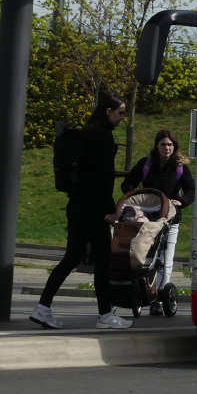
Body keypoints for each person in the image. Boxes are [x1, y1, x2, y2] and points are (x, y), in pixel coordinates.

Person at [30, 94, 133, 330]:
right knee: (103, 260)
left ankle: (43, 308)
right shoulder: (103, 137)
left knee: (71, 257)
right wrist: (110, 210)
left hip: (75, 204)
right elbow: (102, 178)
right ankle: (105, 315)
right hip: (93, 207)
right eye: (120, 112)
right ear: (108, 111)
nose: (122, 117)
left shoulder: (87, 132)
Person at [122, 128, 195, 314]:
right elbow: (127, 184)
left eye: (170, 145)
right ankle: (144, 292)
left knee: (165, 259)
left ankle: (159, 298)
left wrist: (181, 201)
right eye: (163, 144)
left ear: (175, 147)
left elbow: (191, 190)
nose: (167, 148)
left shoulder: (179, 167)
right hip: (147, 219)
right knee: (146, 256)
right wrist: (137, 198)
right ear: (157, 146)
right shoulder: (146, 164)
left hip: (170, 219)